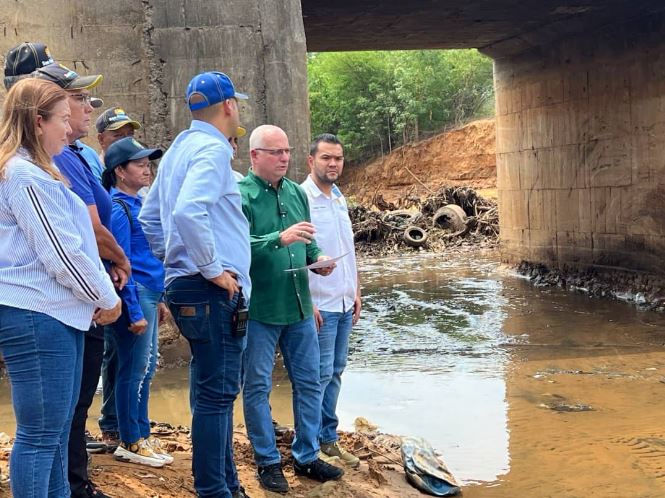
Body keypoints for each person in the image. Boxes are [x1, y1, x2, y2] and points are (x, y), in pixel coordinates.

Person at [0, 78, 121, 498]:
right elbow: (62, 254)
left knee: (52, 433)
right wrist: (107, 298)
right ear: (38, 122)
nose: (70, 130)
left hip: (54, 315)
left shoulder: (35, 171)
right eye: (63, 120)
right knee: (39, 435)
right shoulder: (23, 176)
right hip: (37, 317)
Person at [140, 71, 252, 498]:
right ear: (228, 107)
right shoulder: (212, 150)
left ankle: (227, 484)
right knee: (216, 395)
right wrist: (210, 269)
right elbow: (189, 212)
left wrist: (173, 261)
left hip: (190, 286)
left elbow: (151, 218)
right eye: (236, 104)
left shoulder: (177, 152)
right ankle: (214, 490)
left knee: (212, 388)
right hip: (210, 289)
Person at [34, 62, 131, 498]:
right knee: (59, 414)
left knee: (70, 406)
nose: (89, 107)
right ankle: (74, 486)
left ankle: (74, 483)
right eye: (78, 98)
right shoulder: (45, 164)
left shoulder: (72, 156)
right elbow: (80, 236)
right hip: (70, 300)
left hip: (80, 295)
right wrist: (113, 275)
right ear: (49, 109)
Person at [238, 124, 344, 494]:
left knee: (310, 382)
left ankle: (306, 455)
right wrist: (275, 239)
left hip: (300, 306)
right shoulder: (241, 195)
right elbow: (234, 248)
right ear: (254, 156)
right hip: (261, 309)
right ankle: (267, 462)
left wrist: (320, 259)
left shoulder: (297, 193)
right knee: (256, 387)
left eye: (286, 151)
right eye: (275, 152)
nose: (284, 158)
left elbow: (308, 244)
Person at [100, 137, 173, 468]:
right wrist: (131, 308)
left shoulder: (137, 203)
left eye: (148, 163)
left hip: (149, 293)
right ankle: (129, 439)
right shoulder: (118, 207)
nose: (147, 169)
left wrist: (158, 299)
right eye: (140, 164)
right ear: (120, 171)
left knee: (146, 367)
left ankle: (141, 432)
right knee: (134, 368)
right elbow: (121, 264)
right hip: (136, 293)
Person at [301, 134, 361, 468]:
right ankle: (310, 445)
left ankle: (328, 438)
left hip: (343, 300)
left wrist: (357, 290)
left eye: (338, 158)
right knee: (317, 375)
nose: (333, 164)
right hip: (319, 303)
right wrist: (306, 303)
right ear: (312, 161)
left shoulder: (339, 198)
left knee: (336, 371)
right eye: (326, 158)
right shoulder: (302, 198)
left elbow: (349, 250)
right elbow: (297, 254)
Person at [95, 106, 142, 450]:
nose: (127, 140)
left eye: (130, 134)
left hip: (128, 287)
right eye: (119, 134)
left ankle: (128, 425)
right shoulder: (113, 195)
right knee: (123, 360)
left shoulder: (130, 197)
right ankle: (121, 430)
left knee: (127, 362)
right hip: (113, 286)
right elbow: (116, 251)